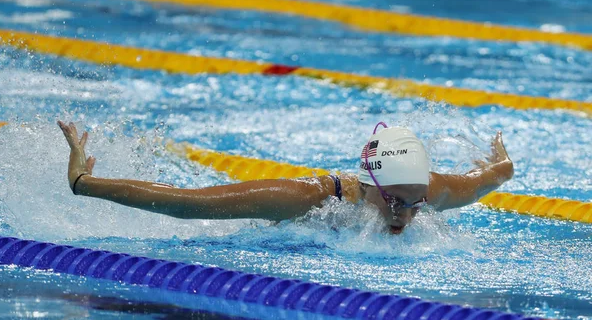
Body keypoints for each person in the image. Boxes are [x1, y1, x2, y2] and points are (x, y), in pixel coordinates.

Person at [58, 120, 513, 234]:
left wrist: (499, 163)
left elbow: (484, 180)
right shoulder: (303, 200)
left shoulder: (422, 191)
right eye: (396, 201)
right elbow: (184, 203)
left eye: (416, 204)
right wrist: (83, 183)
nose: (407, 216)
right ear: (372, 183)